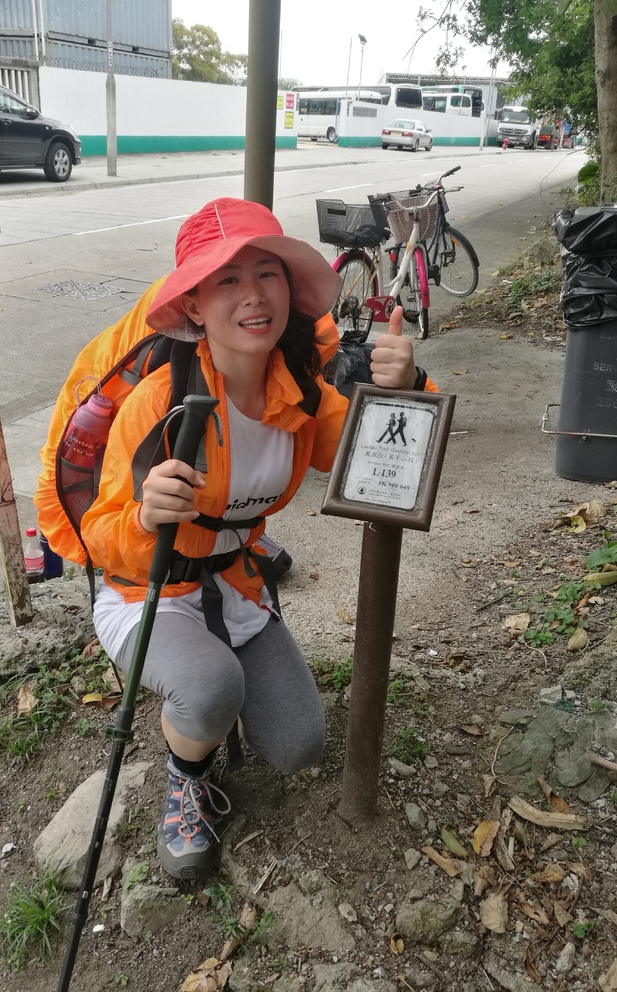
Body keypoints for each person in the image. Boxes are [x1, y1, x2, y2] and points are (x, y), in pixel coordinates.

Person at [80, 197, 438, 879]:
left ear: (288, 288)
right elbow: (100, 536)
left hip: (236, 584)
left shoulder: (298, 393)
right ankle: (187, 775)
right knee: (211, 687)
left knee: (299, 744)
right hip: (146, 590)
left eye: (267, 273)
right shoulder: (160, 404)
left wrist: (408, 385)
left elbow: (380, 459)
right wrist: (144, 518)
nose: (254, 295)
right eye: (227, 279)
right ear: (192, 305)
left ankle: (210, 705)